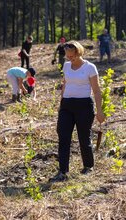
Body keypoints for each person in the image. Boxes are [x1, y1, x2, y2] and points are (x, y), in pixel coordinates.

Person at [50, 40, 105, 182]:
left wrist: (100, 111)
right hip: (67, 105)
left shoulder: (90, 68)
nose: (70, 59)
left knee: (83, 137)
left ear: (79, 53)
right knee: (63, 136)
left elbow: (97, 91)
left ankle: (88, 166)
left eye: (72, 56)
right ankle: (62, 171)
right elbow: (65, 84)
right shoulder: (66, 66)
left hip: (84, 106)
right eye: (67, 56)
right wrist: (61, 103)